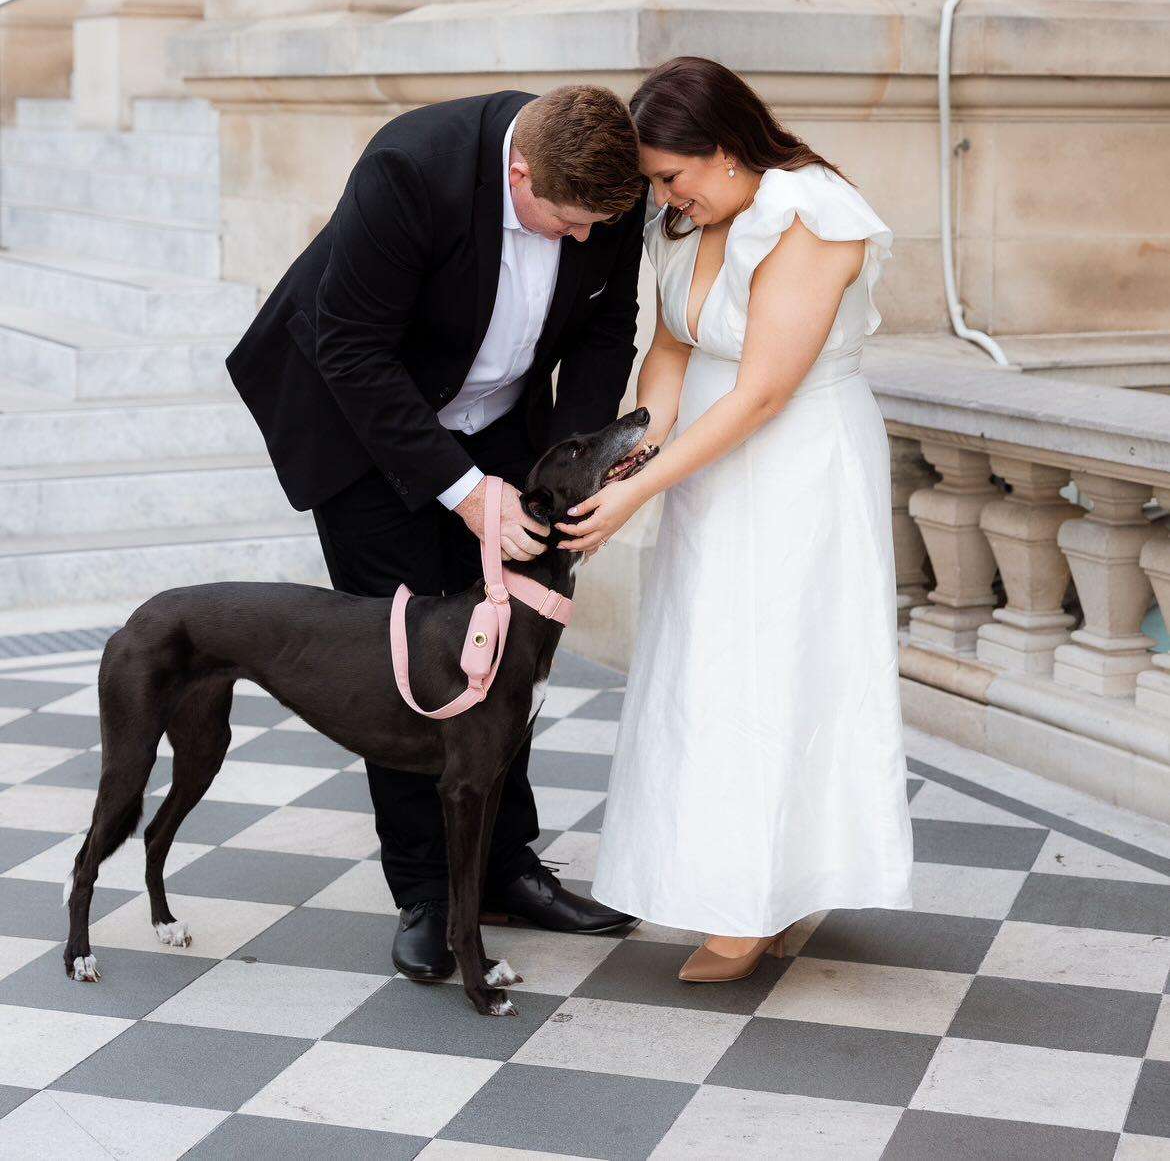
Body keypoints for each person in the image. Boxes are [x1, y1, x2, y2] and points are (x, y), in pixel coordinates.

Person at [225, 85, 646, 980]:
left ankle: (507, 867)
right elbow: (350, 346)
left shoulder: (606, 185)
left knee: (507, 653)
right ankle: (425, 890)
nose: (583, 239)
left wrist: (571, 466)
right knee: (412, 663)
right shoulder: (410, 169)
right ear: (519, 171)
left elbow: (608, 331)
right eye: (566, 221)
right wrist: (460, 491)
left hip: (499, 423)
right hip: (361, 424)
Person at [562, 56, 915, 983]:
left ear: (723, 151)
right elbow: (673, 343)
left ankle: (761, 895)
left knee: (776, 666)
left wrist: (637, 493)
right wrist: (646, 442)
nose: (663, 196)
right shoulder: (689, 215)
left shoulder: (810, 214)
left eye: (672, 176)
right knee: (702, 662)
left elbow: (762, 392)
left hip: (795, 460)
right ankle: (730, 877)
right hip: (708, 460)